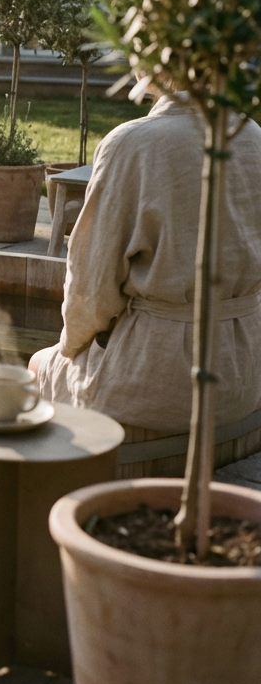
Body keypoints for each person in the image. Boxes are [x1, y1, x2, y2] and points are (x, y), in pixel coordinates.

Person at [29, 90, 261, 432]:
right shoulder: (255, 136)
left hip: (162, 377)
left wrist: (72, 346)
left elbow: (91, 289)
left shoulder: (132, 143)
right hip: (244, 370)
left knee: (38, 365)